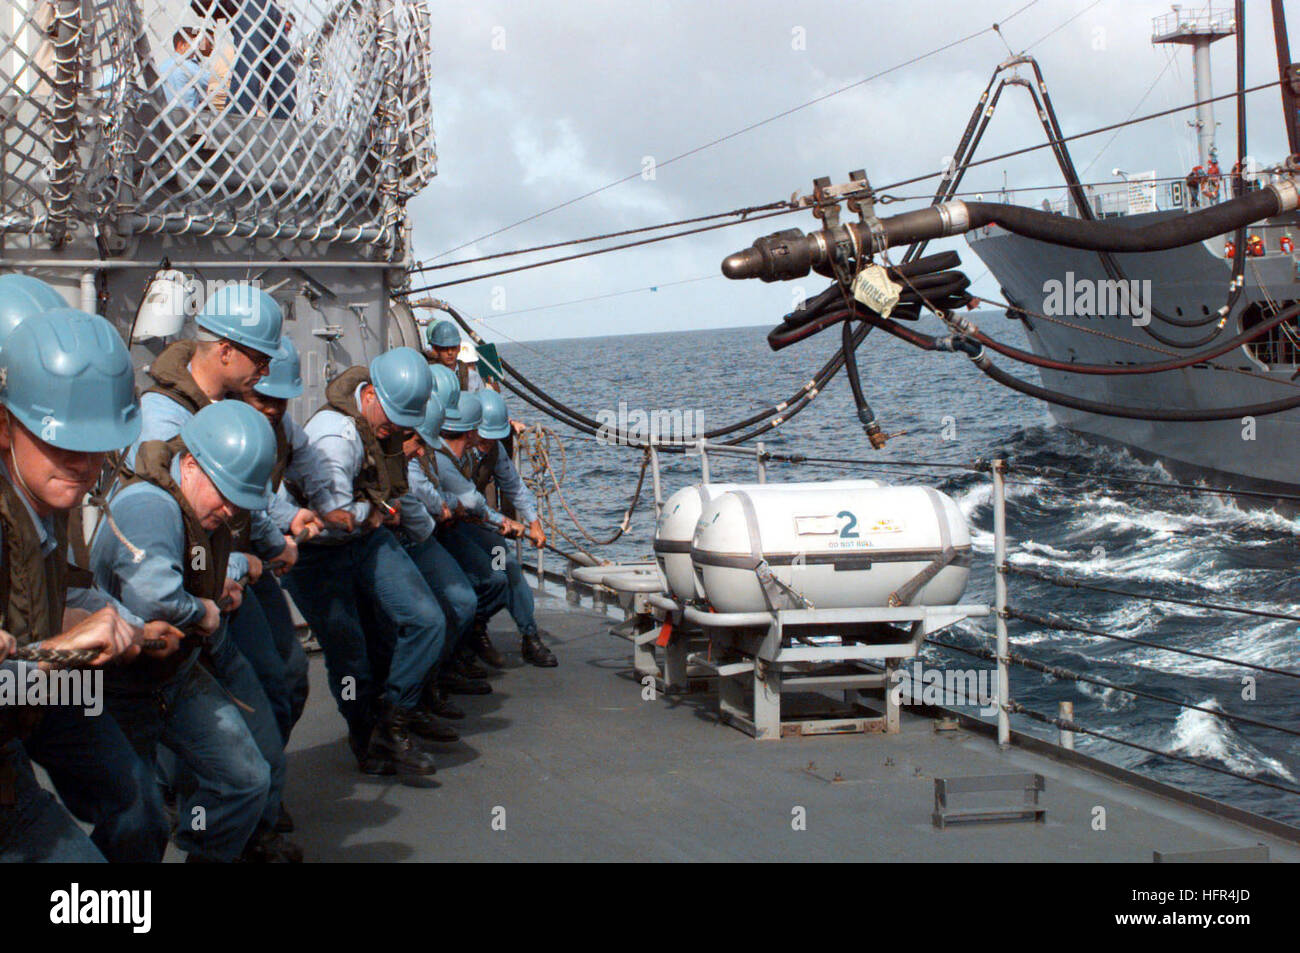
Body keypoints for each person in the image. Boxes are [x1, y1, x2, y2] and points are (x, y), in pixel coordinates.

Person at [0, 302, 176, 863]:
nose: (83, 463)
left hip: (39, 687)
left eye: (96, 443)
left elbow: (64, 583)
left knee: (142, 807)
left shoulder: (46, 488)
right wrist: (58, 649)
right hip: (19, 687)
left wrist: (121, 624)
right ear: (5, 426)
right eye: (62, 442)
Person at [92, 400, 298, 862]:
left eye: (238, 502)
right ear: (188, 464)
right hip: (119, 688)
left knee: (246, 781)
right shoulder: (149, 504)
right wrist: (203, 609)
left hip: (176, 675)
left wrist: (223, 578)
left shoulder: (197, 508)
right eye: (223, 495)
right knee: (134, 819)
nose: (228, 511)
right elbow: (152, 596)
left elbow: (191, 566)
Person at [283, 348, 453, 777]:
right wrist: (372, 514)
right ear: (371, 393)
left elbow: (394, 494)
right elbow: (336, 515)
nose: (394, 428)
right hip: (320, 553)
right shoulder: (335, 438)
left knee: (425, 619)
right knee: (350, 657)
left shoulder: (385, 426)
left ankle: (397, 715)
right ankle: (368, 738)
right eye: (392, 416)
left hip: (367, 539)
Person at [397, 391, 505, 703]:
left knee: (484, 584)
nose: (420, 452)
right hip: (414, 535)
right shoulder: (417, 454)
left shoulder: (427, 452)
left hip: (426, 532)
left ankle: (447, 665)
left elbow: (427, 493)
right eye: (417, 443)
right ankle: (417, 694)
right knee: (435, 614)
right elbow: (421, 491)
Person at [435, 392, 556, 668]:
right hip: (447, 525)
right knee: (491, 578)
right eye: (483, 440)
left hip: (475, 523)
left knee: (508, 565)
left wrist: (534, 522)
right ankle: (472, 632)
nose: (486, 447)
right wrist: (507, 523)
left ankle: (529, 636)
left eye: (493, 440)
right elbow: (470, 501)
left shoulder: (495, 450)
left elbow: (513, 485)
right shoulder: (447, 453)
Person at [158, 28, 214, 113]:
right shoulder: (189, 66)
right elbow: (213, 82)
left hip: (166, 115)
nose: (196, 47)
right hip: (188, 116)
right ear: (181, 45)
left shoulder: (162, 66)